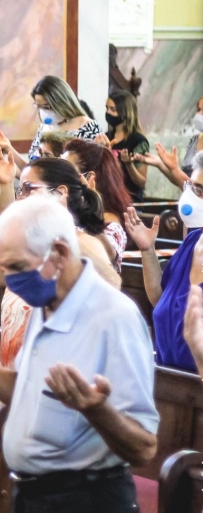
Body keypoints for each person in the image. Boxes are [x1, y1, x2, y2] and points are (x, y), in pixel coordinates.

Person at [0, 195, 158, 513]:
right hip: (33, 497)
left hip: (86, 505)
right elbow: (27, 388)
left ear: (59, 253)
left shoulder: (113, 316)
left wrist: (95, 409)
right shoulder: (45, 302)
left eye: (17, 267)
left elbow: (144, 447)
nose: (10, 280)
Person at [0, 156, 122, 370]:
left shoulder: (83, 242)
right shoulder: (26, 248)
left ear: (60, 193)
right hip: (16, 381)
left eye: (28, 188)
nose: (20, 197)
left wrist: (59, 222)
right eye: (19, 190)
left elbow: (112, 284)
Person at [126, 153, 203, 372]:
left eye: (201, 191)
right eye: (192, 186)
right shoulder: (193, 240)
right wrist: (147, 249)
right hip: (169, 384)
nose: (193, 197)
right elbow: (160, 299)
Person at [0, 75, 100, 169]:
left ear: (61, 102)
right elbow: (33, 168)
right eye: (38, 107)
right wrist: (8, 148)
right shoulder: (44, 128)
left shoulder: (87, 126)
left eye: (46, 107)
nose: (43, 112)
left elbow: (92, 170)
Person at [61, 139, 131, 269]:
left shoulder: (111, 225)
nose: (58, 176)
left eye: (66, 171)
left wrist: (90, 220)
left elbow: (106, 255)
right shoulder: (68, 212)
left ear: (88, 178)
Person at [104, 90, 150, 202]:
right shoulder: (106, 137)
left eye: (113, 109)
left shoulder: (138, 140)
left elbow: (141, 181)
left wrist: (128, 164)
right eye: (107, 108)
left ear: (125, 112)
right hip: (108, 199)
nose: (108, 112)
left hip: (130, 201)